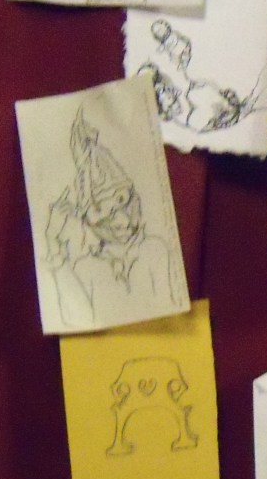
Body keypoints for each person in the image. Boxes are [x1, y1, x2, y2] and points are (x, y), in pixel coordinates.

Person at [44, 108, 178, 328]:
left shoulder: (154, 251)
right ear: (88, 219)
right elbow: (73, 322)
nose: (124, 221)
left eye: (125, 204)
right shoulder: (86, 268)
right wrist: (53, 243)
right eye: (107, 213)